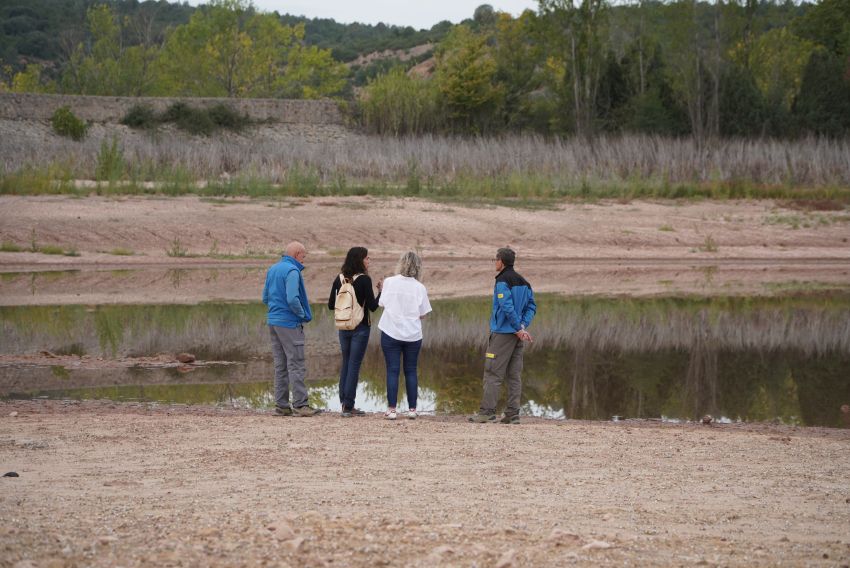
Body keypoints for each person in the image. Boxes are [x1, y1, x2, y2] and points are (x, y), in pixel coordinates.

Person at [469, 247, 536, 424]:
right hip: (517, 335)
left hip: (503, 335)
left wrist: (517, 327)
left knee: (492, 373)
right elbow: (531, 306)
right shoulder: (524, 282)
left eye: (495, 260)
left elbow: (506, 307)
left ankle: (487, 412)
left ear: (501, 261)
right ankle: (513, 414)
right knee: (514, 375)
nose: (495, 263)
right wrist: (522, 326)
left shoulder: (502, 281)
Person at [262, 241, 320, 417]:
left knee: (280, 365)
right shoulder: (292, 271)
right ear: (296, 254)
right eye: (304, 256)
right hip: (289, 323)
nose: (304, 260)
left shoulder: (273, 269)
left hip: (273, 322)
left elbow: (265, 297)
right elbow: (293, 299)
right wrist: (302, 315)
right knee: (296, 364)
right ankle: (301, 405)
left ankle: (281, 405)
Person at [327, 247, 382, 418]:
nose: (369, 260)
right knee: (354, 365)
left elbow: (330, 305)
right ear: (360, 260)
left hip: (343, 327)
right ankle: (348, 406)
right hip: (360, 327)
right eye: (367, 258)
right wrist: (381, 291)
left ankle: (344, 402)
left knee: (346, 363)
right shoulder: (365, 280)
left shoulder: (340, 278)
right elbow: (373, 307)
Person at [378, 251, 432, 420]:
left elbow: (382, 303)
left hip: (390, 332)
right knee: (411, 370)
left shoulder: (389, 282)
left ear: (401, 264)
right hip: (413, 335)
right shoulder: (420, 287)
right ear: (418, 267)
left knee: (392, 370)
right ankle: (412, 409)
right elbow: (423, 314)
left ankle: (392, 410)